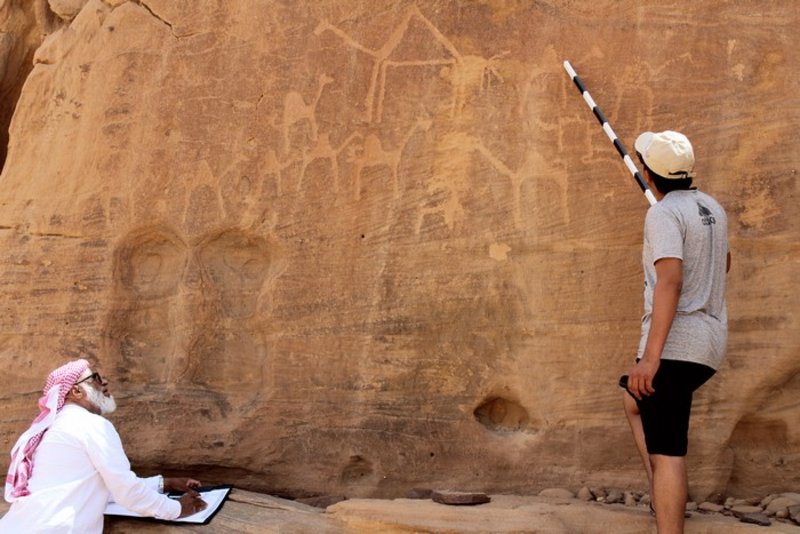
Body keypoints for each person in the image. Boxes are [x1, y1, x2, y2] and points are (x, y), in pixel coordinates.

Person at [622, 130, 730, 534]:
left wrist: (650, 359)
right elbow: (724, 263)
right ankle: (663, 495)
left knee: (667, 450)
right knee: (633, 400)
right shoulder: (712, 208)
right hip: (709, 343)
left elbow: (670, 281)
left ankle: (668, 514)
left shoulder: (663, 214)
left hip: (676, 347)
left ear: (649, 175)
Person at [1, 359, 208, 532]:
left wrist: (162, 484)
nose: (105, 382)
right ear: (76, 391)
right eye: (96, 378)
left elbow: (89, 488)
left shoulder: (56, 426)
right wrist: (176, 508)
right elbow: (125, 490)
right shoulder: (90, 424)